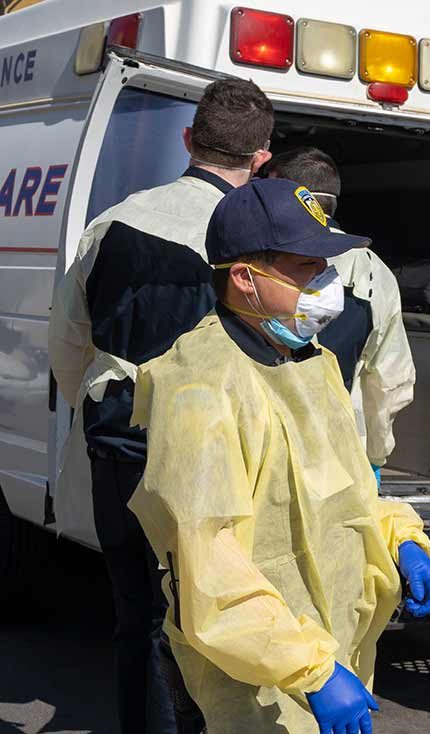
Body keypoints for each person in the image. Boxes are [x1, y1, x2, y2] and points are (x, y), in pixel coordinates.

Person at [127, 177, 430, 734]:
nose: (328, 281)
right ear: (246, 279)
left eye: (327, 266)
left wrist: (402, 537)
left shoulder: (309, 361)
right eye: (308, 268)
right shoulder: (199, 388)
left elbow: (349, 487)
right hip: (254, 681)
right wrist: (313, 670)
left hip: (328, 655)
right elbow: (210, 571)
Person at [47, 78, 275, 734]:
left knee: (139, 622)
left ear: (187, 139)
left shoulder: (114, 223)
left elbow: (69, 344)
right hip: (217, 458)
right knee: (214, 617)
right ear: (260, 160)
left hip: (121, 446)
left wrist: (98, 417)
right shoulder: (258, 245)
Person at [261, 147, 414, 486]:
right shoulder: (374, 272)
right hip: (337, 462)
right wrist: (373, 457)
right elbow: (389, 381)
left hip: (258, 451)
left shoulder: (255, 258)